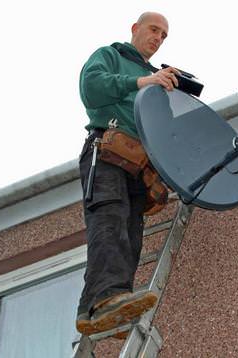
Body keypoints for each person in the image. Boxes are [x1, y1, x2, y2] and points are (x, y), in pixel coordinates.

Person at [76, 12, 179, 336]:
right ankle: (108, 299)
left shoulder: (157, 79)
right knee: (109, 219)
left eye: (163, 35)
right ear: (135, 29)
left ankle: (93, 310)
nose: (158, 38)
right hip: (107, 152)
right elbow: (91, 88)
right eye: (153, 30)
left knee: (131, 233)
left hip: (139, 165)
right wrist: (142, 82)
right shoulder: (112, 55)